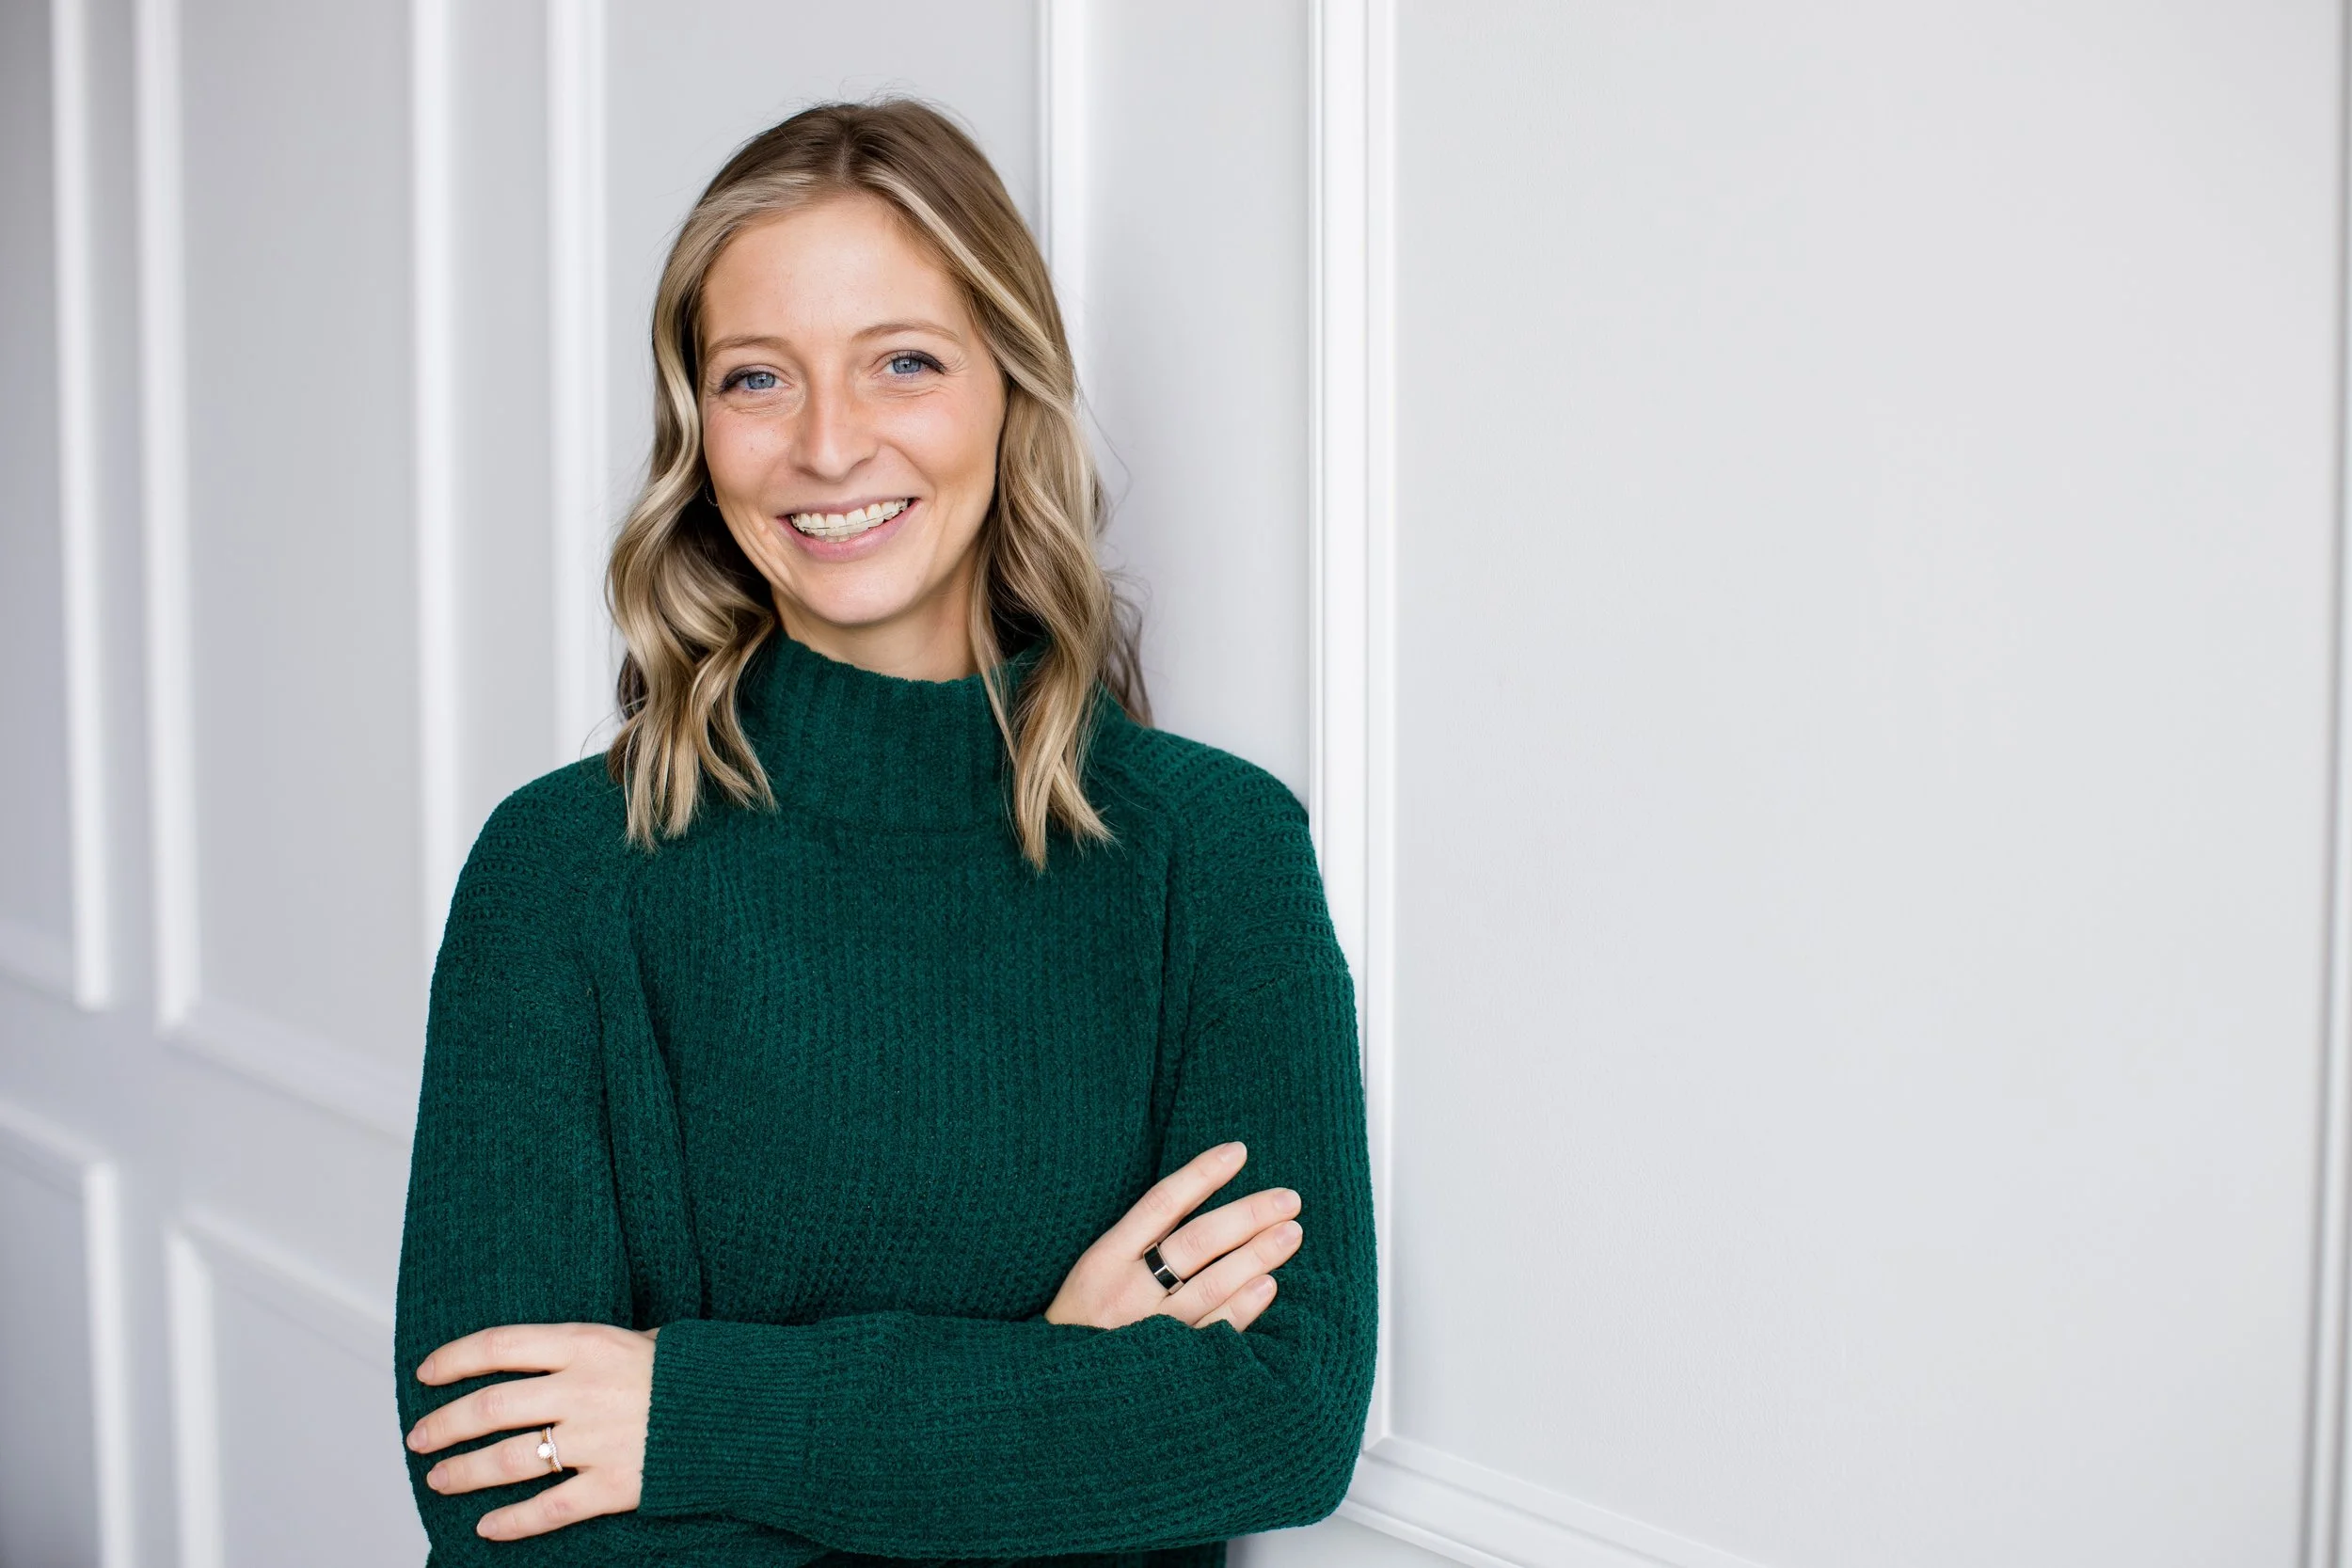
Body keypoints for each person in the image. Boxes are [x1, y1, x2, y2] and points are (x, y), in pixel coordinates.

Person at [392, 98, 1376, 1567]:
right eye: (756, 378)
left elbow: (1282, 1421)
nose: (829, 443)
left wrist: (686, 1410)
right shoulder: (561, 873)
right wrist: (1047, 1381)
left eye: (903, 361)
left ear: (1008, 391)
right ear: (697, 429)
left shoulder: (1212, 854)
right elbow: (496, 1504)